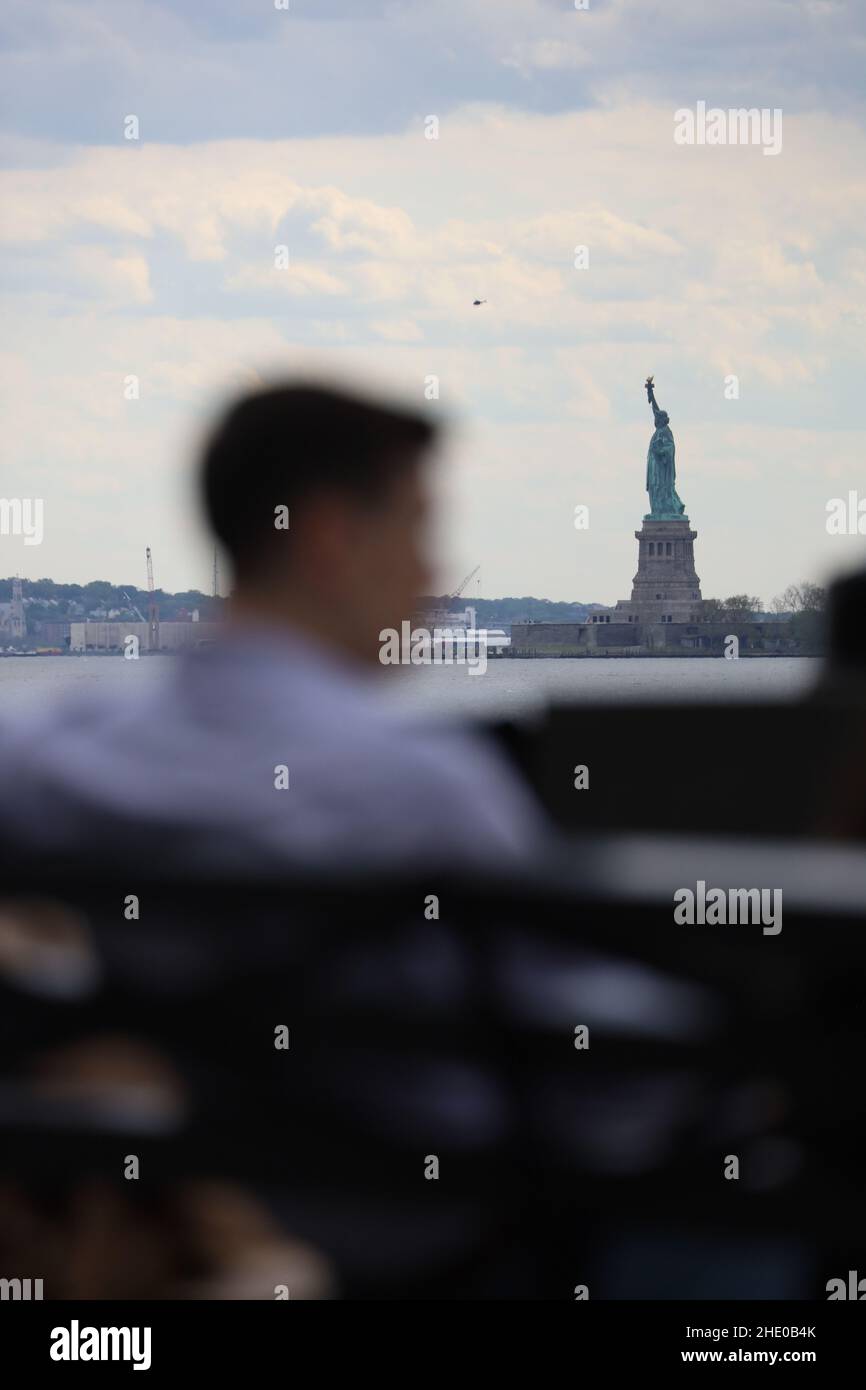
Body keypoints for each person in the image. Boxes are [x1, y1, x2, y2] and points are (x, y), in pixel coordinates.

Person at [0, 382, 545, 873]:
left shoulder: (43, 763)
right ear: (329, 539)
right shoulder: (428, 794)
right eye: (417, 530)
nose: (434, 572)